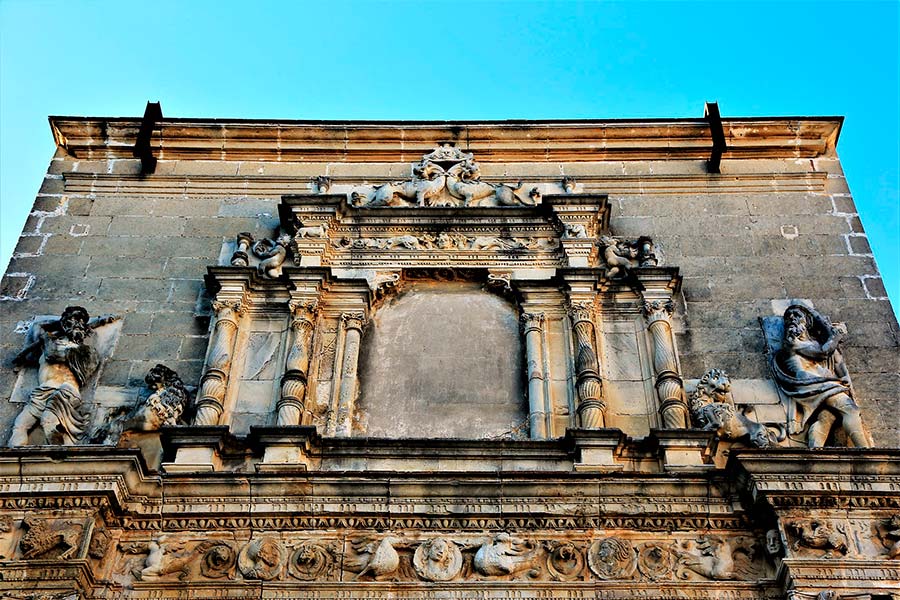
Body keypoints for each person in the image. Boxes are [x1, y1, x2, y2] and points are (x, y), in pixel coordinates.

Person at [8, 306, 116, 446]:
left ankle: (56, 456)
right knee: (20, 425)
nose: (76, 324)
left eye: (80, 323)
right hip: (41, 392)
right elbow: (38, 326)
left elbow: (53, 355)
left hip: (65, 391)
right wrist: (61, 324)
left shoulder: (85, 352)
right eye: (72, 321)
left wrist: (95, 322)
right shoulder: (47, 344)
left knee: (48, 422)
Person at [771, 304, 869, 448]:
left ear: (806, 321)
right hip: (809, 381)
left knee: (827, 417)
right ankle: (864, 449)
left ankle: (814, 449)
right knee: (850, 410)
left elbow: (837, 360)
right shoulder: (791, 341)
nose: (792, 318)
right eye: (788, 316)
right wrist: (833, 334)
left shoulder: (814, 342)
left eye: (797, 315)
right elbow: (824, 351)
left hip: (822, 380)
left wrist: (845, 376)